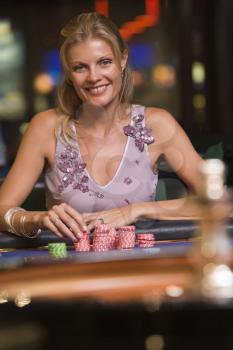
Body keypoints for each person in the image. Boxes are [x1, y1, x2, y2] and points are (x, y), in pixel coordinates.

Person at [0, 12, 204, 242]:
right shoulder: (46, 127)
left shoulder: (157, 124)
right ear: (68, 72)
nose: (94, 77)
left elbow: (219, 201)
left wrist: (138, 210)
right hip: (69, 271)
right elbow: (1, 209)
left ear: (123, 60)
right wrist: (36, 219)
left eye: (104, 62)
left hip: (140, 268)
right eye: (80, 67)